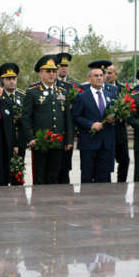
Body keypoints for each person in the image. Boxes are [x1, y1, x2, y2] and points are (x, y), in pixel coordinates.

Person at [22, 55, 73, 184]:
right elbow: (26, 117)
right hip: (40, 142)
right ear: (40, 73)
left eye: (54, 71)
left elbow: (67, 117)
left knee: (54, 175)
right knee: (39, 176)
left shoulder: (62, 91)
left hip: (58, 141)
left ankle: (52, 202)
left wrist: (69, 139)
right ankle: (38, 202)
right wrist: (30, 137)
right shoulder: (32, 92)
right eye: (48, 71)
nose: (52, 74)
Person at [73, 66, 116, 183]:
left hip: (106, 144)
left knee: (104, 179)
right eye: (96, 76)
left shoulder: (111, 95)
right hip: (89, 143)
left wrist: (114, 119)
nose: (99, 78)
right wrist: (90, 124)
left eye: (101, 75)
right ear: (89, 79)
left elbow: (117, 113)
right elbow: (76, 117)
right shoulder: (82, 97)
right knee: (87, 178)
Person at [0, 63, 27, 184]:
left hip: (19, 139)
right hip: (3, 139)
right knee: (4, 172)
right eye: (8, 79)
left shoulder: (24, 96)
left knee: (18, 173)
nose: (12, 82)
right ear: (2, 80)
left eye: (14, 78)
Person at [55, 52, 80, 184]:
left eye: (66, 66)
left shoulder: (74, 85)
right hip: (54, 131)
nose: (64, 68)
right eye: (61, 66)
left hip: (67, 131)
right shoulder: (52, 84)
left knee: (65, 167)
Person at [105, 64, 130, 183]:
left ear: (116, 74)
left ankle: (121, 184)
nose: (107, 75)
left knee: (124, 160)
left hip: (120, 131)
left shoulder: (123, 89)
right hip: (105, 131)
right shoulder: (100, 88)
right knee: (106, 163)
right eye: (106, 73)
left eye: (110, 73)